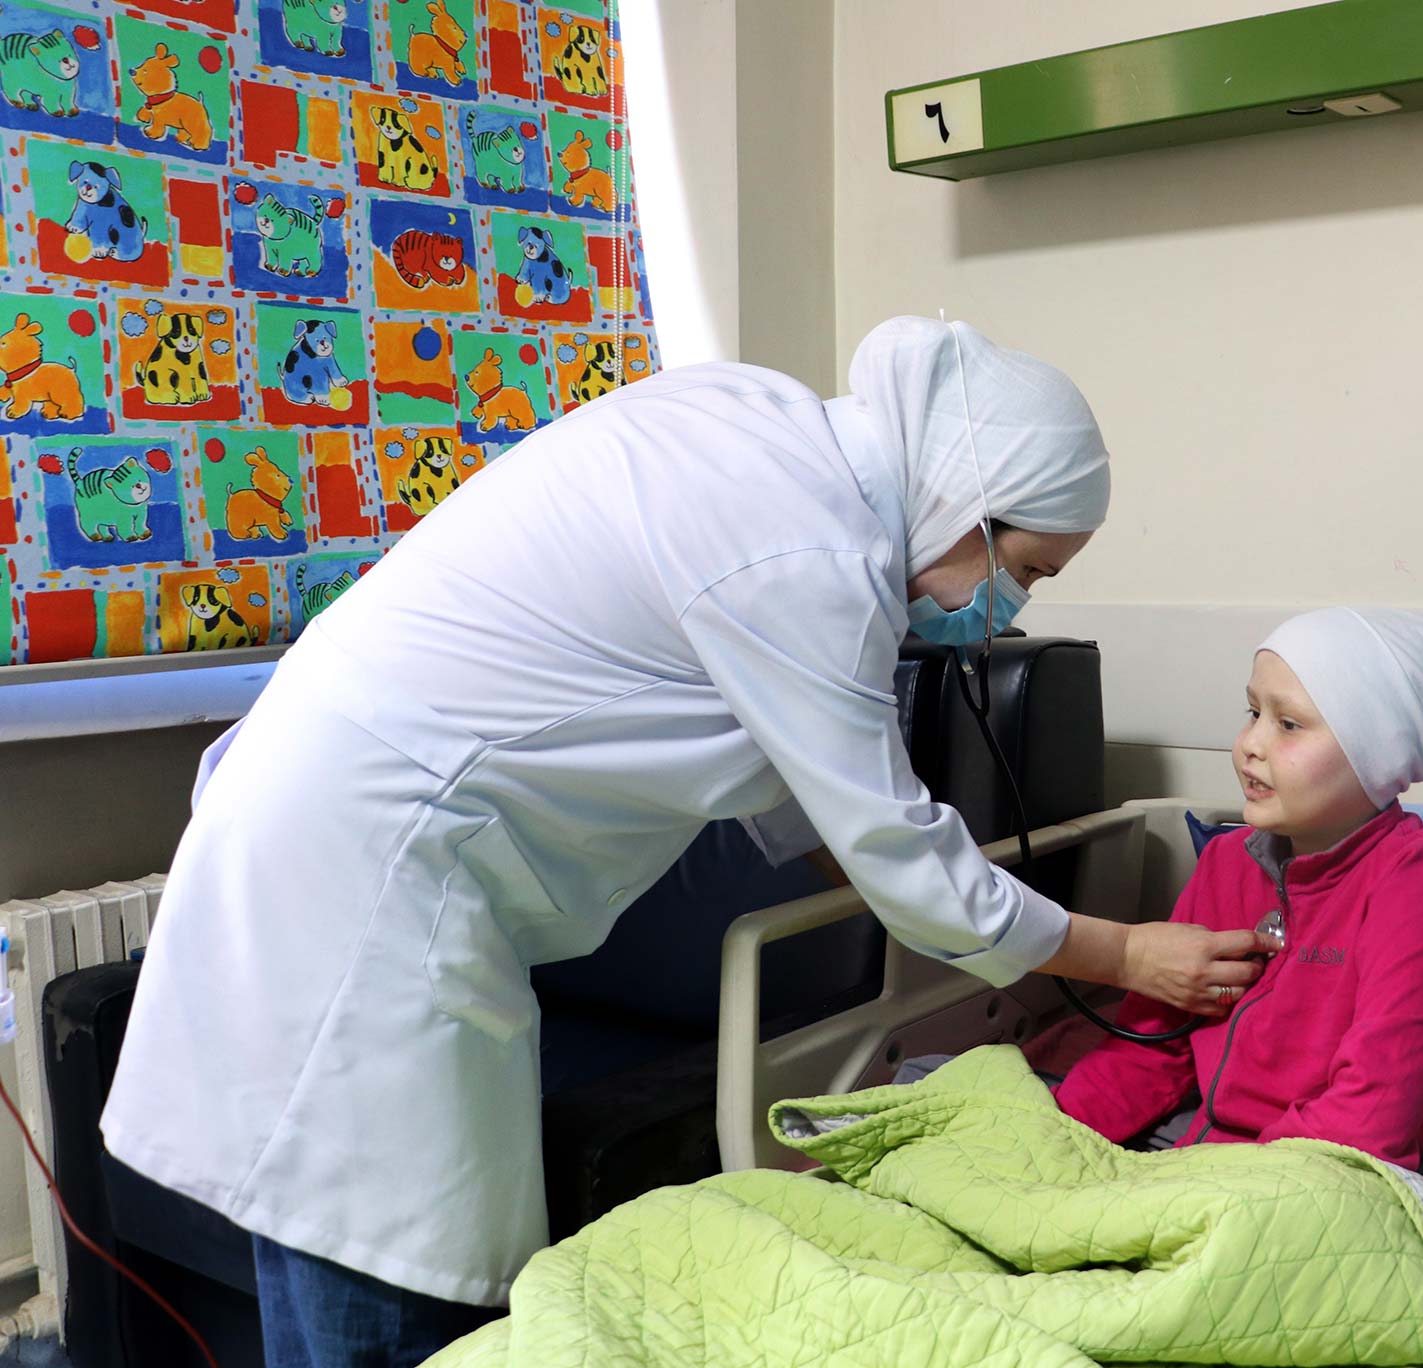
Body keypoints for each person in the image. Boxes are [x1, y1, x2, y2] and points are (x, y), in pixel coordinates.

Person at [99, 316, 1272, 1367]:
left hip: (335, 816)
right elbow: (900, 847)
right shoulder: (806, 553)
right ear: (968, 496)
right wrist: (1126, 955)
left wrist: (909, 922)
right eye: (1019, 572)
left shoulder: (762, 436)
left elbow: (797, 791)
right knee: (380, 1257)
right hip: (375, 862)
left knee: (330, 1214)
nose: (1007, 613)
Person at [1052, 607, 1423, 1222]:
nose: (1250, 745)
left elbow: (1368, 1120)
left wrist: (1202, 1190)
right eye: (1253, 712)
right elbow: (1156, 1050)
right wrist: (1054, 1141)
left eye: (1289, 724)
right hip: (1233, 1159)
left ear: (1373, 753)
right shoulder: (1227, 864)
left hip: (1395, 1182)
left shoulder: (1420, 885)